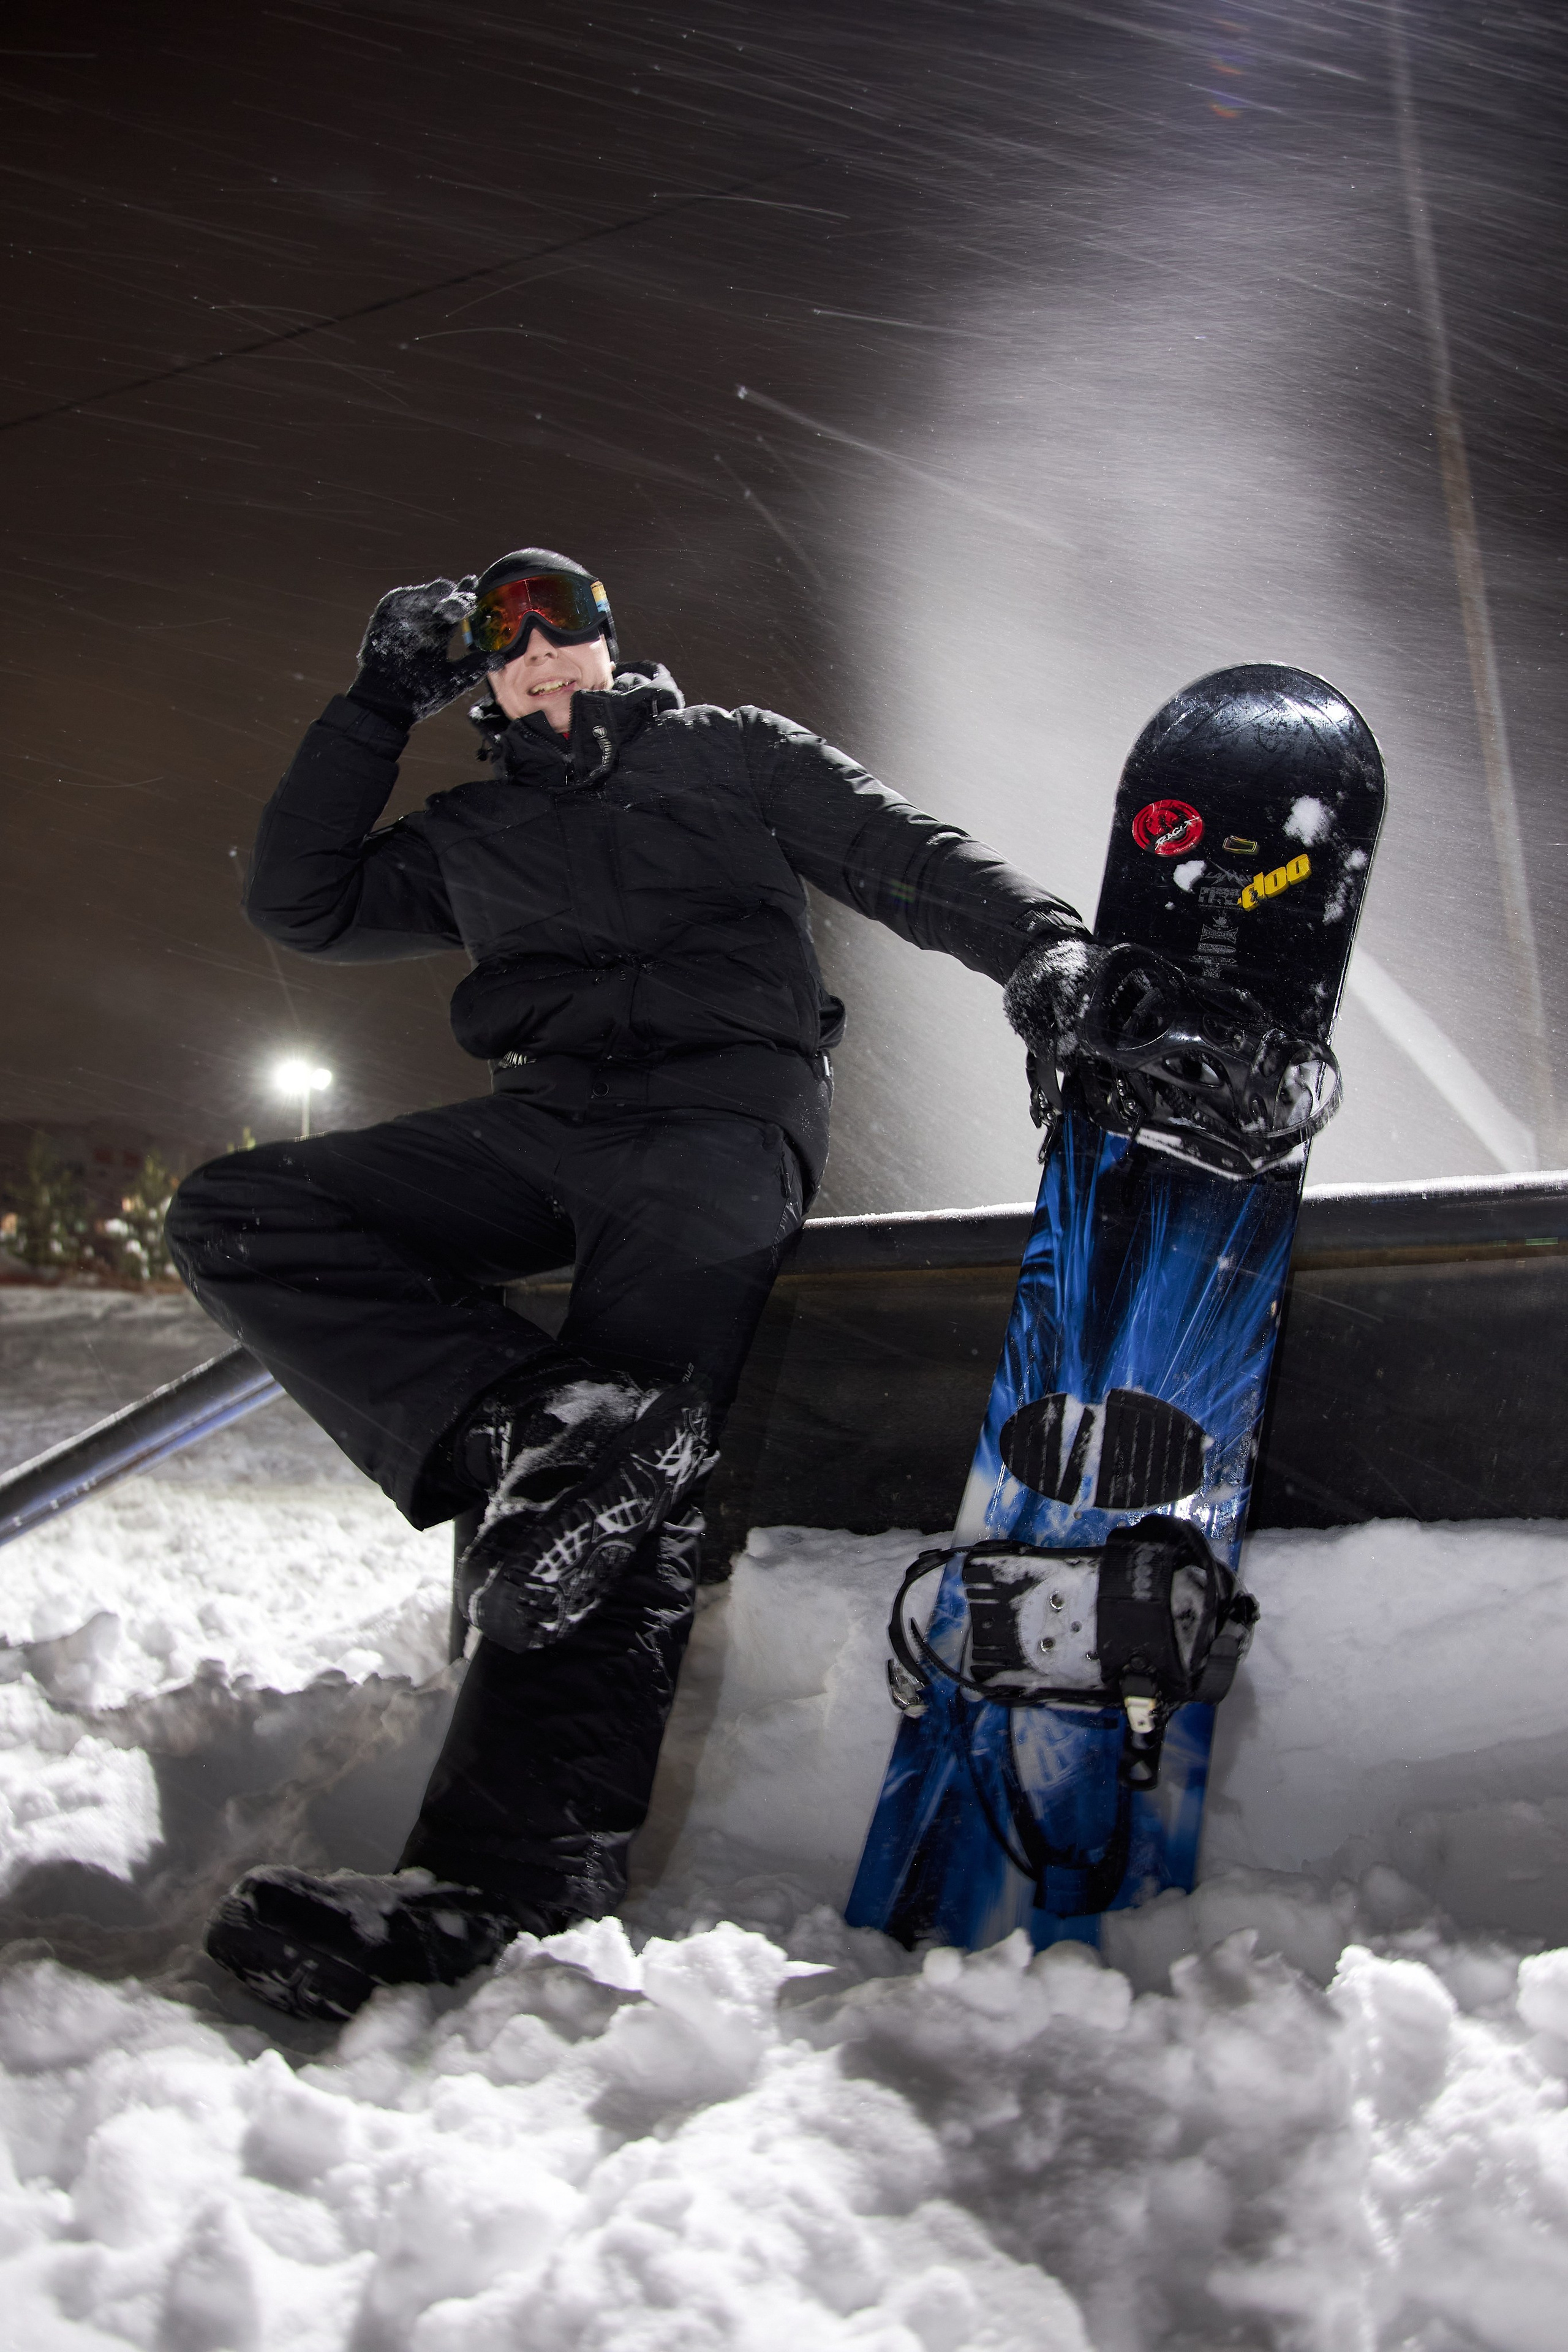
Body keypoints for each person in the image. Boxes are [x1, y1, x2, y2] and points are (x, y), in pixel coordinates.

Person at [167, 549, 1095, 2021]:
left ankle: (501, 1884)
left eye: (566, 626)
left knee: (614, 1494)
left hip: (719, 1123)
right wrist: (370, 706)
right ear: (476, 676)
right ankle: (538, 1430)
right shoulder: (470, 825)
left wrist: (1043, 944)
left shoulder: (727, 755)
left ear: (609, 639)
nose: (542, 659)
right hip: (547, 1124)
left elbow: (900, 856)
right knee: (243, 1210)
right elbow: (302, 902)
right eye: (503, 645)